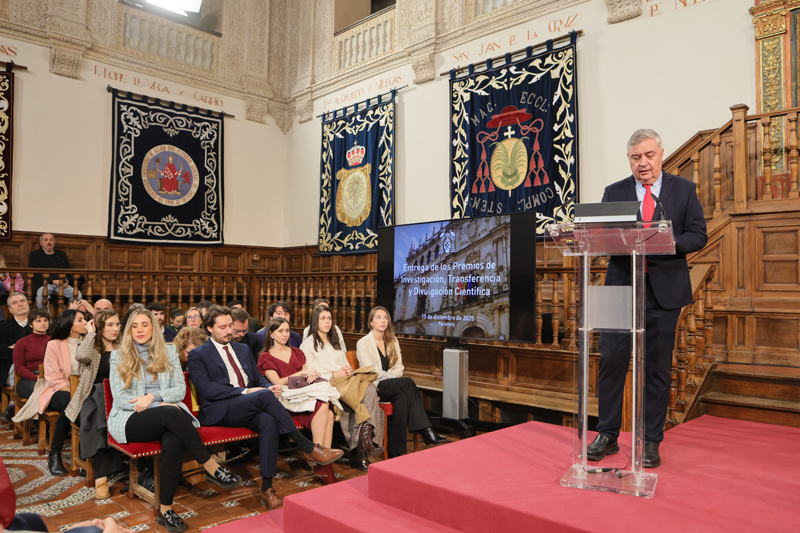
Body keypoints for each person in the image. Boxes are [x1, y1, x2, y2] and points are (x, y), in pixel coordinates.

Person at [587, 129, 708, 469]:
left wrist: (670, 243)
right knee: (611, 360)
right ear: (629, 160)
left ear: (661, 154)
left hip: (664, 291)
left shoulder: (683, 190)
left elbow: (698, 235)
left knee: (657, 367)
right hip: (619, 288)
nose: (643, 163)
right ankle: (607, 434)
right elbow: (601, 237)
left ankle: (651, 440)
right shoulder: (614, 192)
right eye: (636, 157)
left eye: (649, 155)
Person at [188, 305, 343, 510]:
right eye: (222, 327)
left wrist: (269, 387)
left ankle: (267, 489)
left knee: (269, 420)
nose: (229, 331)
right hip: (221, 409)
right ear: (209, 328)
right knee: (263, 396)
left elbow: (257, 378)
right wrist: (246, 391)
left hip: (249, 404)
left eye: (230, 326)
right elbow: (208, 390)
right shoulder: (198, 354)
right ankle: (308, 448)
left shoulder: (242, 349)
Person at [108, 308, 241, 533]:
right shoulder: (118, 356)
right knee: (172, 413)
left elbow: (179, 390)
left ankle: (165, 509)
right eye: (134, 326)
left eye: (144, 325)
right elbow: (121, 399)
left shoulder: (169, 352)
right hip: (130, 419)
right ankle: (210, 466)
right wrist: (157, 404)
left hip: (166, 417)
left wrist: (154, 397)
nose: (139, 330)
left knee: (174, 441)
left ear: (154, 327)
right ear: (129, 330)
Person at [301, 304, 384, 472]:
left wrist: (348, 370)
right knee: (368, 394)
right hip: (327, 384)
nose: (327, 322)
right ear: (315, 321)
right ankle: (363, 446)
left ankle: (362, 446)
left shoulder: (335, 341)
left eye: (329, 318)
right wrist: (333, 374)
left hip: (346, 380)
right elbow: (310, 375)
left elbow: (344, 363)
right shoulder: (308, 345)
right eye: (323, 319)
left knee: (369, 389)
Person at [357, 307, 446, 457]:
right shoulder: (363, 343)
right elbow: (371, 372)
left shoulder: (392, 340)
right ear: (371, 322)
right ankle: (426, 429)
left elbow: (399, 367)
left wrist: (391, 376)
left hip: (393, 386)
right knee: (408, 383)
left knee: (403, 398)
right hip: (375, 387)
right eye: (378, 317)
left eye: (385, 318)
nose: (383, 321)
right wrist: (392, 376)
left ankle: (396, 451)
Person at [258, 317, 338, 484]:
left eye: (287, 330)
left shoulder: (296, 352)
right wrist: (300, 374)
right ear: (271, 333)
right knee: (324, 406)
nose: (285, 334)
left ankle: (322, 461)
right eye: (280, 331)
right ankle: (319, 460)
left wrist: (311, 374)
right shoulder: (265, 357)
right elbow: (277, 382)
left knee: (328, 412)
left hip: (304, 392)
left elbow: (305, 376)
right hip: (286, 398)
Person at [64, 310, 125, 499]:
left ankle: (134, 466)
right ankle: (101, 475)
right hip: (92, 395)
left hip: (119, 395)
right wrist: (91, 334)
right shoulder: (91, 345)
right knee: (98, 417)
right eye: (109, 325)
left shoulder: (124, 346)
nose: (115, 329)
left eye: (117, 324)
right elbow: (81, 357)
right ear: (99, 327)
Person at [39, 309, 88, 475]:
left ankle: (86, 455)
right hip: (59, 390)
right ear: (70, 325)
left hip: (85, 391)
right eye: (80, 320)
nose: (85, 323)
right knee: (69, 401)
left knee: (91, 405)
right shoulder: (54, 345)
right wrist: (75, 391)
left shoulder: (91, 342)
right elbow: (53, 377)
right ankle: (55, 452)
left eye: (85, 319)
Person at [0, 293, 32, 419]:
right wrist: (27, 353)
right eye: (15, 303)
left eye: (22, 301)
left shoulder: (39, 323)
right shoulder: (3, 327)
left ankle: (13, 406)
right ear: (10, 309)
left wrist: (15, 348)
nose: (20, 304)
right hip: (11, 368)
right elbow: (1, 351)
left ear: (28, 304)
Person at [28, 233, 82, 308]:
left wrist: (67, 281)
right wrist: (53, 281)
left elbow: (68, 271)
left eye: (51, 240)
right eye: (46, 240)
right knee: (41, 296)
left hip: (62, 284)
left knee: (78, 295)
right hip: (45, 284)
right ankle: (45, 316)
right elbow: (36, 273)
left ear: (54, 242)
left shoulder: (61, 254)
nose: (49, 242)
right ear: (41, 243)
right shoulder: (35, 254)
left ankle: (69, 314)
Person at [11, 309, 50, 401]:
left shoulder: (53, 341)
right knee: (42, 391)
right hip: (28, 379)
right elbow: (19, 366)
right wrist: (36, 377)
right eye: (38, 321)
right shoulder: (22, 342)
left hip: (49, 377)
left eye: (45, 320)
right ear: (30, 324)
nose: (43, 323)